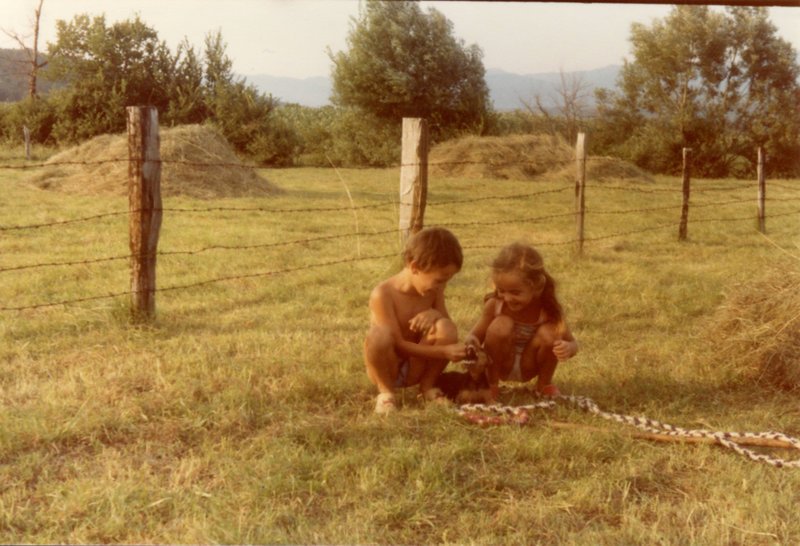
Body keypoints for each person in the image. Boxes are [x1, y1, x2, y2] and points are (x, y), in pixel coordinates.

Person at [364, 227, 468, 414]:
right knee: (378, 335)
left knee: (446, 327)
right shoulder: (383, 294)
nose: (442, 286)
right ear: (414, 267)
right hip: (389, 367)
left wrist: (436, 315)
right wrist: (444, 352)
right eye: (439, 280)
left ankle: (427, 387)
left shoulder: (433, 290)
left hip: (417, 366)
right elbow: (398, 344)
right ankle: (386, 393)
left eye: (447, 280)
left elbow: (448, 329)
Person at [466, 242, 578, 400]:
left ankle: (544, 386)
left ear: (537, 286)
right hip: (500, 364)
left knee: (550, 332)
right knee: (501, 324)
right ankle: (491, 385)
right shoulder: (495, 305)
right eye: (501, 290)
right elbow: (474, 336)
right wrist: (472, 345)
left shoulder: (548, 310)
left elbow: (574, 344)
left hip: (529, 365)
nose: (507, 298)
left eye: (515, 292)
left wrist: (567, 348)